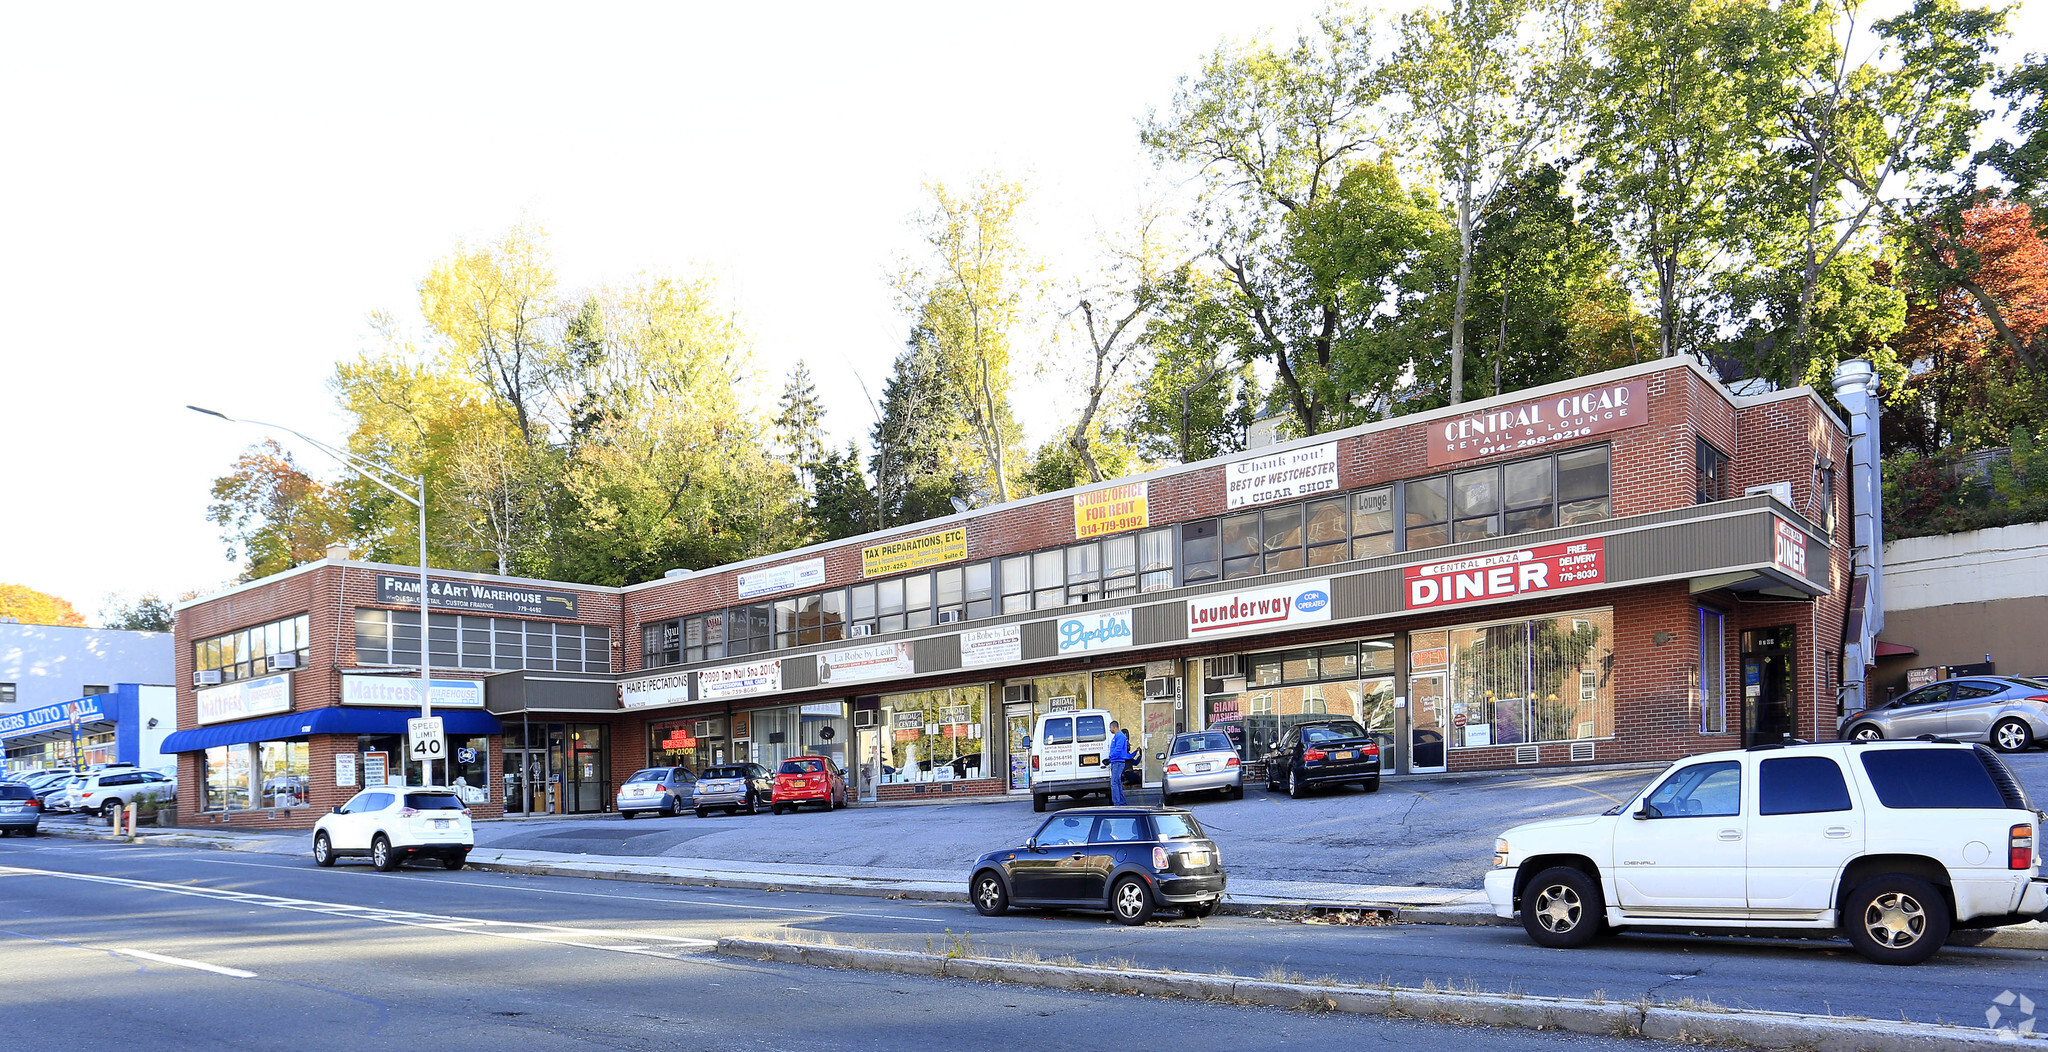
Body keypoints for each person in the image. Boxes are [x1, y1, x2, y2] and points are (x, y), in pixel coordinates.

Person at [1107, 720, 1133, 806]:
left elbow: (1118, 749)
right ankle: (1122, 802)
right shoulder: (1117, 736)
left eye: (1110, 727)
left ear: (1114, 727)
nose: (1110, 729)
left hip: (1118, 762)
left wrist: (1111, 756)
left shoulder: (1120, 736)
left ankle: (1117, 803)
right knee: (1117, 783)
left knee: (1114, 783)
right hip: (1115, 761)